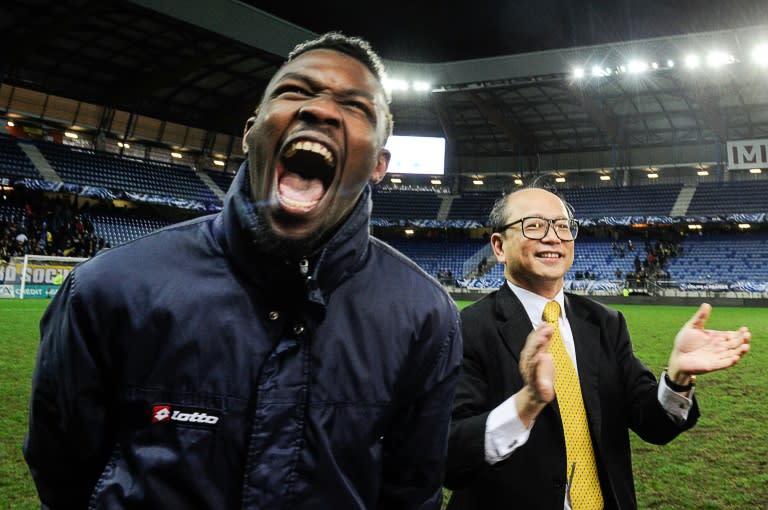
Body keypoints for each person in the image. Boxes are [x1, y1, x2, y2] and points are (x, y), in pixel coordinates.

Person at [24, 32, 462, 509]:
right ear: (251, 131)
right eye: (296, 91)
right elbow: (64, 477)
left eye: (357, 107)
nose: (320, 110)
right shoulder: (108, 287)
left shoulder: (425, 316)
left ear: (379, 165)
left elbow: (411, 493)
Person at [444, 187, 750, 510]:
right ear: (499, 246)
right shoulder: (467, 329)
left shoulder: (605, 323)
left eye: (563, 226)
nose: (553, 237)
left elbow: (653, 423)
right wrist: (526, 403)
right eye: (534, 226)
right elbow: (451, 455)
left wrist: (678, 377)